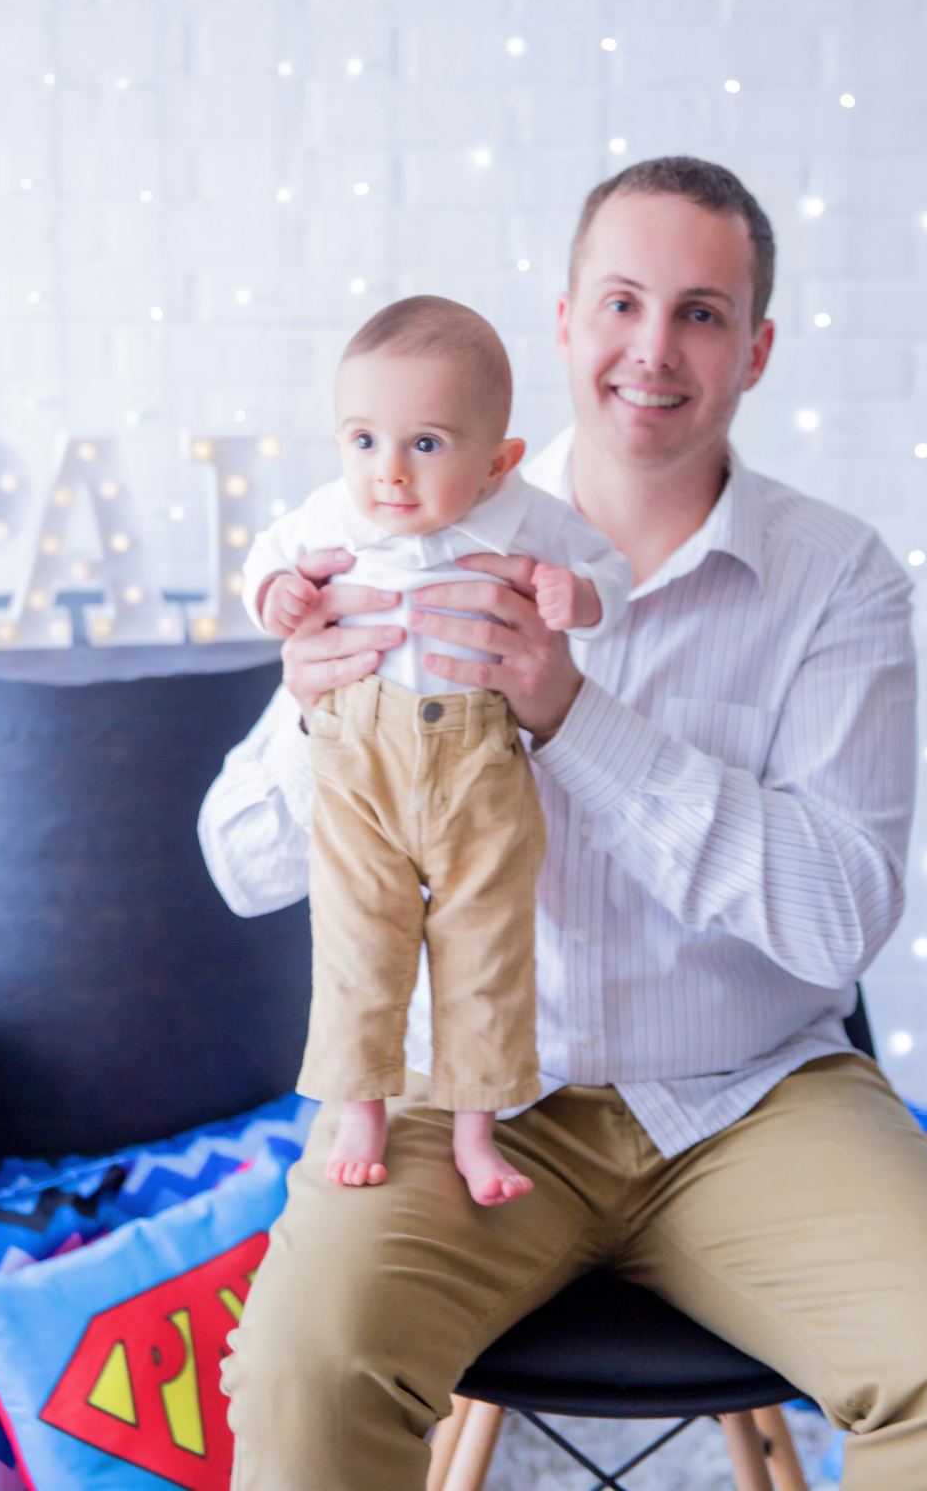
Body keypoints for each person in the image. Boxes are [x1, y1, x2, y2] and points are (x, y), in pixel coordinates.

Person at [203, 157, 927, 1489]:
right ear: (563, 322)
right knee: (303, 1375)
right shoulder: (396, 536)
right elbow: (239, 868)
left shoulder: (838, 579)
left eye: (702, 313)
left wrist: (576, 718)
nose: (651, 350)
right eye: (620, 303)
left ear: (756, 349)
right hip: (456, 1106)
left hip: (751, 1100)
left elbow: (841, 918)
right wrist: (315, 708)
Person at [241, 296, 631, 1202]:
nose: (389, 474)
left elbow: (609, 568)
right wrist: (279, 598)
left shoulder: (528, 520)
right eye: (363, 439)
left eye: (426, 445)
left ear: (498, 462)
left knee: (486, 949)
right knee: (356, 940)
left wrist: (577, 593)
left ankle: (475, 1132)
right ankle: (364, 1106)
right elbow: (266, 557)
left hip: (481, 766)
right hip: (358, 758)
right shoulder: (334, 516)